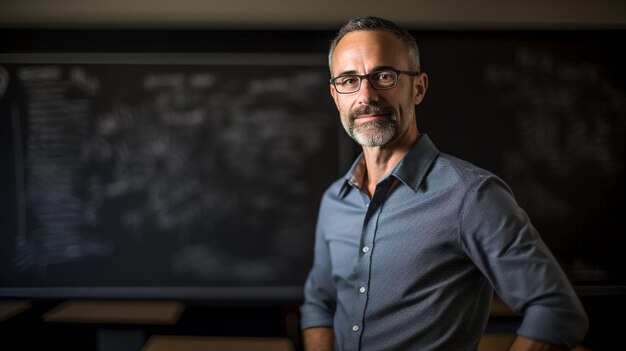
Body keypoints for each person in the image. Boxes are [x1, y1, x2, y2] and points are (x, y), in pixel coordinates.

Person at [299, 16, 589, 351]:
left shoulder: (472, 196)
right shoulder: (335, 200)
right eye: (349, 80)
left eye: (383, 76)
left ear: (418, 88)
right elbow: (319, 304)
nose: (366, 95)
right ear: (336, 97)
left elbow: (558, 312)